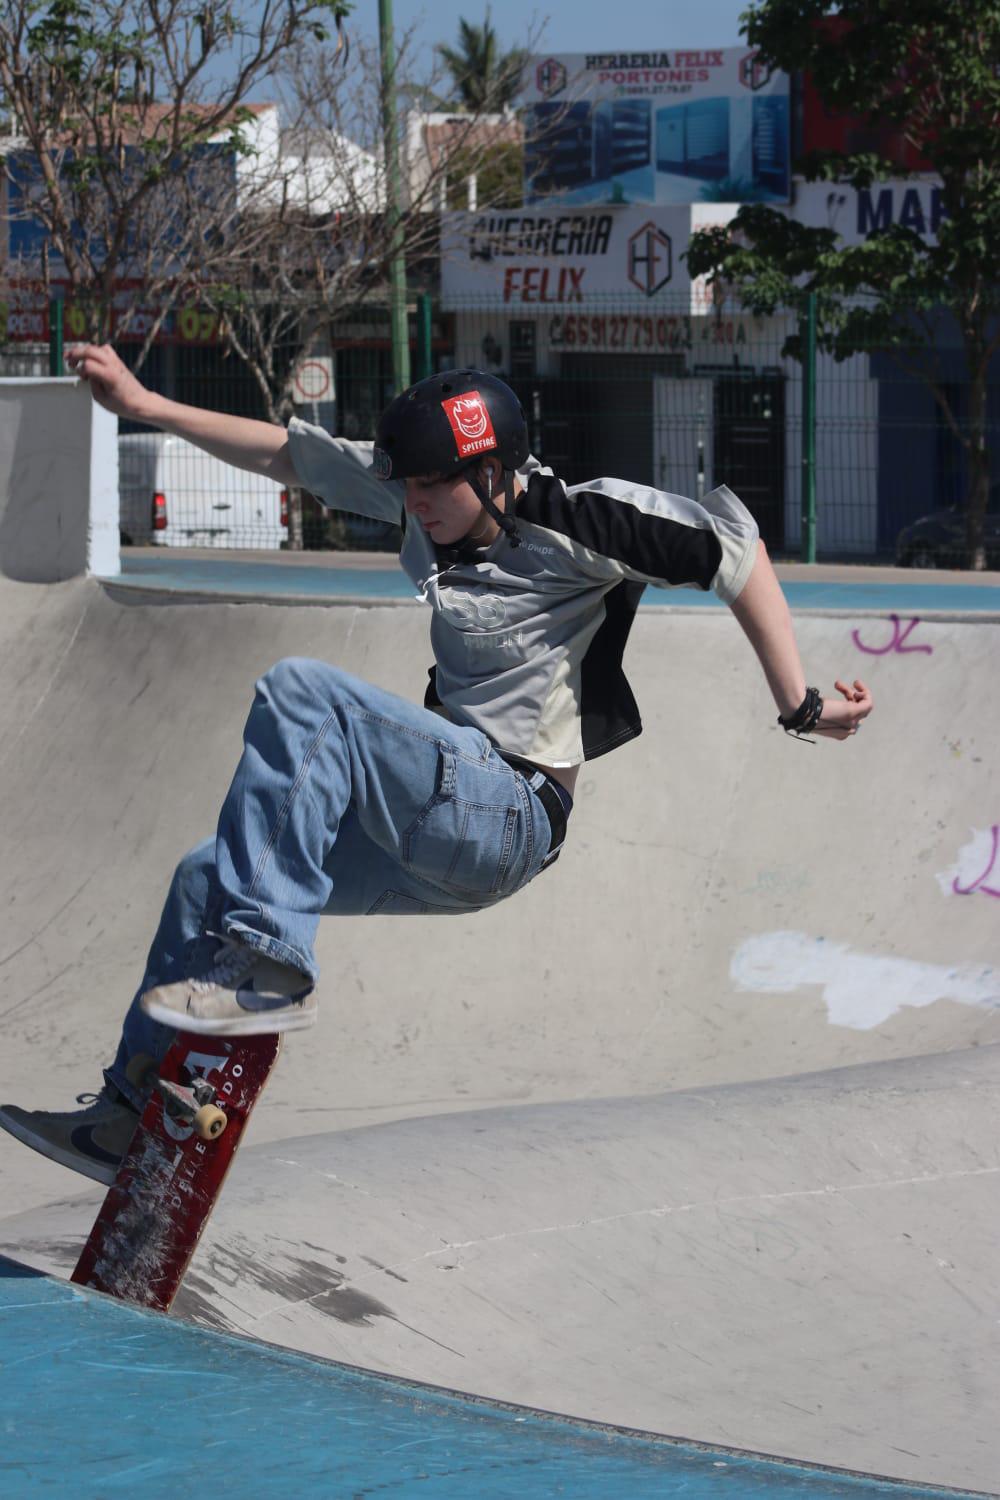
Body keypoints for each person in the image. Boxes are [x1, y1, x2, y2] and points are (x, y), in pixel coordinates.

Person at [0, 346, 873, 1185]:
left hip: (511, 810)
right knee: (208, 879)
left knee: (306, 695)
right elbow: (288, 456)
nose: (416, 503)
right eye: (408, 485)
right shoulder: (421, 503)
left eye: (435, 485)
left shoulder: (586, 518)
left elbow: (736, 554)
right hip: (435, 834)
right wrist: (145, 408)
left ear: (494, 474)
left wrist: (800, 703)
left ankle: (267, 965)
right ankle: (131, 1115)